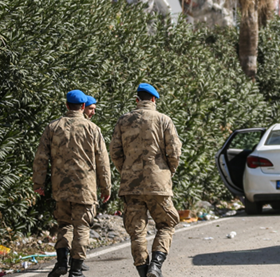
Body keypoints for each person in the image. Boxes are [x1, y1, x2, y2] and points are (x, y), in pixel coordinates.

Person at [33, 90, 111, 277]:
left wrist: (39, 183)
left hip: (61, 188)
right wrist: (106, 186)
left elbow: (41, 158)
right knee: (82, 227)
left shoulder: (53, 127)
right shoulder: (92, 129)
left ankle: (61, 263)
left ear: (67, 105)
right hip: (85, 188)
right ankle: (76, 270)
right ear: (83, 107)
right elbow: (102, 161)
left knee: (64, 225)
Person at [110, 83, 182, 277]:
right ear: (153, 100)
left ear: (136, 100)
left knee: (137, 230)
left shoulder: (123, 121)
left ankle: (143, 270)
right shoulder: (163, 120)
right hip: (158, 183)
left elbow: (115, 152)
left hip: (130, 185)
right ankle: (156, 265)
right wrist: (168, 172)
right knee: (167, 224)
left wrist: (126, 171)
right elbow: (174, 151)